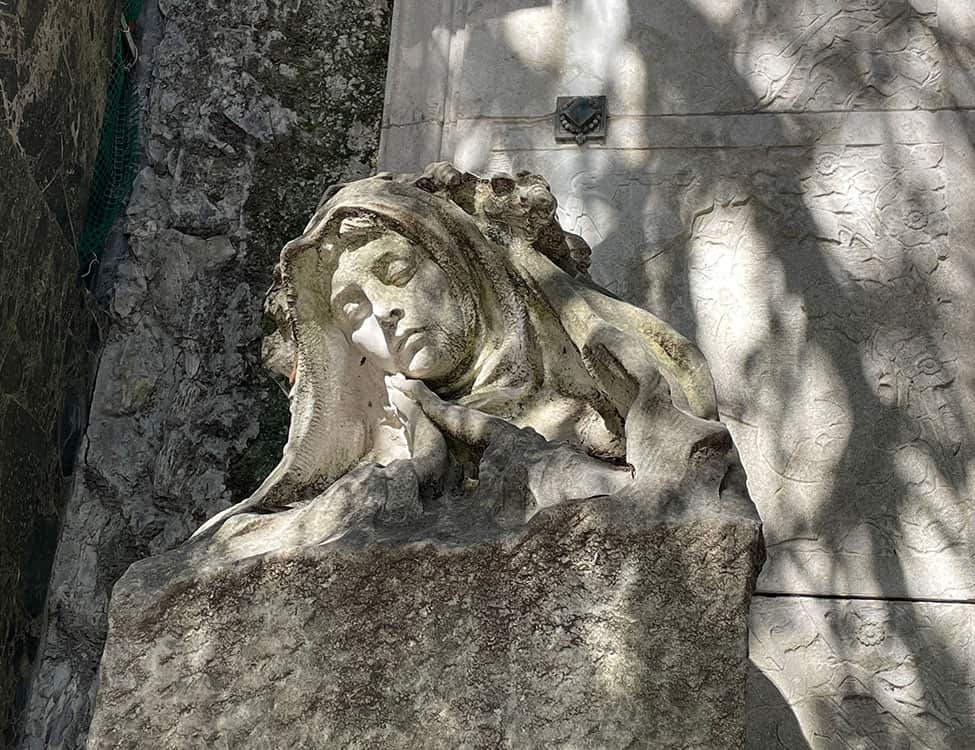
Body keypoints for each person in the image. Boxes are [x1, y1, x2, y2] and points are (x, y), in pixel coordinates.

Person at [191, 164, 743, 552]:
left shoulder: (597, 418)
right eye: (352, 311)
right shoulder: (374, 475)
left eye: (397, 273)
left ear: (463, 267)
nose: (382, 313)